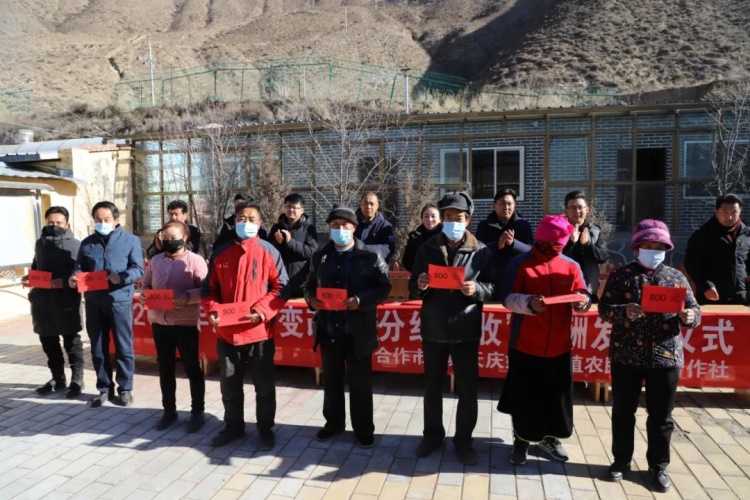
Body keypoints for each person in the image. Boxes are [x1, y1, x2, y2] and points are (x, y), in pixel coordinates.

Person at [599, 219, 701, 493]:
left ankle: (658, 466)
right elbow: (604, 308)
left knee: (661, 417)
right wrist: (623, 311)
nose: (653, 251)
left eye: (659, 247)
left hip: (665, 357)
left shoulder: (675, 278)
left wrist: (690, 317)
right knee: (623, 412)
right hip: (627, 356)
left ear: (666, 249)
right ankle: (621, 460)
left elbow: (695, 309)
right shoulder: (621, 276)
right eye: (648, 246)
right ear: (637, 247)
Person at [408, 192, 495, 466]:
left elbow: (494, 287)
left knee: (467, 390)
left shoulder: (481, 251)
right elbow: (413, 285)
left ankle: (464, 441)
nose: (453, 222)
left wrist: (477, 289)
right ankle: (432, 437)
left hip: (465, 328)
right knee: (432, 387)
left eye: (458, 218)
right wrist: (420, 285)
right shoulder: (427, 248)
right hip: (433, 328)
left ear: (467, 220)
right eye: (448, 217)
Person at [498, 214, 591, 466]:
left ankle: (551, 439)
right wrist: (528, 303)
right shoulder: (521, 263)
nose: (556, 248)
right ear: (541, 239)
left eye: (561, 244)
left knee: (555, 398)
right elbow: (507, 297)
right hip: (525, 344)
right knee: (525, 397)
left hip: (560, 345)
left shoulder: (571, 266)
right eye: (553, 243)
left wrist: (583, 302)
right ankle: (521, 441)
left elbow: (583, 292)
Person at [202, 200, 289, 450]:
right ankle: (233, 427)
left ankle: (265, 429)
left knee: (264, 387)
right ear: (234, 222)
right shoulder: (220, 253)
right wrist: (213, 310)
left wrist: (261, 311)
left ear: (260, 224)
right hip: (227, 334)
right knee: (229, 385)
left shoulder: (268, 251)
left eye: (252, 219)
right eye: (241, 218)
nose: (246, 223)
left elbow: (281, 287)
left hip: (259, 333)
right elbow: (208, 290)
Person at [304, 205, 391, 449]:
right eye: (335, 226)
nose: (340, 230)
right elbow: (309, 285)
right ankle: (333, 423)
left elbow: (384, 287)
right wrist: (312, 299)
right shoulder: (320, 256)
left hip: (358, 330)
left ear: (354, 228)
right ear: (329, 228)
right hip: (329, 328)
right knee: (331, 381)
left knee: (360, 383)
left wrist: (360, 300)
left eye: (345, 225)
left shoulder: (370, 256)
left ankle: (363, 428)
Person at [69, 201, 143, 407]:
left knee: (123, 347)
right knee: (98, 348)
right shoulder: (87, 243)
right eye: (98, 219)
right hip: (94, 301)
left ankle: (125, 389)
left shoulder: (130, 241)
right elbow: (79, 268)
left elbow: (138, 269)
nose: (102, 223)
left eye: (106, 219)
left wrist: (122, 277)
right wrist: (74, 277)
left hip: (119, 301)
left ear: (116, 220)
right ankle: (104, 388)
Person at [141, 221, 208, 432]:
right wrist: (145, 295)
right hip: (160, 322)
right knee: (165, 368)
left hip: (184, 323)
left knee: (191, 367)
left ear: (185, 238)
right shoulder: (155, 261)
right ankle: (169, 411)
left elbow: (206, 290)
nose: (170, 242)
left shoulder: (195, 261)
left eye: (174, 238)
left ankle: (197, 412)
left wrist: (186, 297)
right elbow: (145, 285)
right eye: (165, 238)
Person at [23, 206, 84, 398]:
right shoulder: (40, 243)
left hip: (66, 301)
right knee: (49, 343)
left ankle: (77, 379)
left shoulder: (76, 245)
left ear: (67, 224)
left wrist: (65, 282)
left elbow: (81, 274)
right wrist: (29, 278)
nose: (54, 226)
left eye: (58, 222)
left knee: (72, 342)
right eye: (51, 222)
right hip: (42, 302)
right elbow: (36, 267)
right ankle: (58, 378)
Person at [684, 193, 750, 305]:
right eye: (725, 212)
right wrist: (705, 285)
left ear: (740, 212)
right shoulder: (702, 235)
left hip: (741, 295)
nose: (729, 217)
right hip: (711, 295)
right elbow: (692, 264)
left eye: (734, 213)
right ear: (716, 211)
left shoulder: (747, 234)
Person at [475, 189, 533, 281]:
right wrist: (498, 245)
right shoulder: (484, 226)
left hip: (517, 276)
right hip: (491, 277)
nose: (506, 207)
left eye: (509, 204)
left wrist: (513, 243)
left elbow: (530, 251)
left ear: (514, 205)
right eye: (502, 203)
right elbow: (477, 252)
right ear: (494, 205)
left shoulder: (523, 225)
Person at [269, 193, 319, 298]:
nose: (291, 210)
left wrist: (290, 242)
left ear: (302, 210)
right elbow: (268, 252)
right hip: (279, 282)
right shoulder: (276, 227)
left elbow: (313, 252)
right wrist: (277, 243)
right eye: (288, 206)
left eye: (294, 207)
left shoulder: (309, 229)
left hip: (300, 283)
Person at [562, 191, 608, 301]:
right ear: (566, 211)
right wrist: (570, 243)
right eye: (573, 208)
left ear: (587, 209)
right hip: (563, 290)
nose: (577, 211)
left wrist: (588, 244)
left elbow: (603, 258)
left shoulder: (595, 231)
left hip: (589, 291)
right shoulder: (559, 231)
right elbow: (553, 259)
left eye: (580, 207)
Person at [355, 192, 395, 263]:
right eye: (365, 203)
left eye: (371, 204)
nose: (368, 207)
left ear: (377, 205)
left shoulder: (384, 226)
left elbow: (388, 248)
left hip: (376, 266)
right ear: (360, 205)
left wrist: (365, 250)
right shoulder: (352, 224)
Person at [401, 204, 442, 273]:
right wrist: (419, 273)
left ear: (440, 219)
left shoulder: (446, 237)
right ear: (422, 219)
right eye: (426, 216)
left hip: (442, 276)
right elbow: (407, 261)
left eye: (433, 216)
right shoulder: (415, 237)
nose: (430, 219)